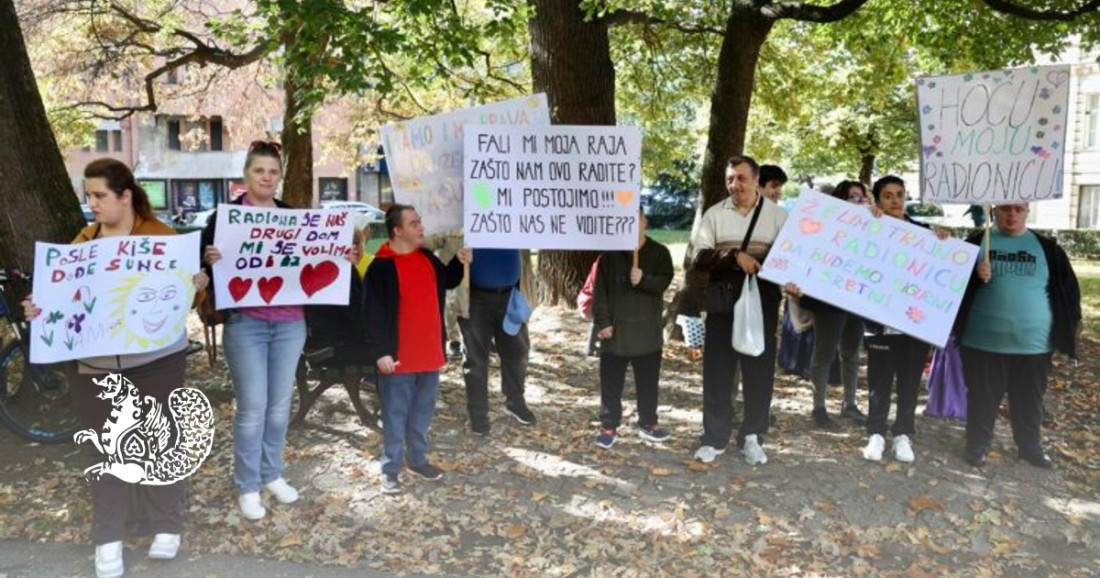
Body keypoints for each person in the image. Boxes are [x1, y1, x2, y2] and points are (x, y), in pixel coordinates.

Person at [23, 159, 208, 578]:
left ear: (125, 195)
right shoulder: (81, 244)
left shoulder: (161, 238)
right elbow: (61, 301)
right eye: (89, 196)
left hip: (157, 360)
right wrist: (38, 308)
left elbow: (183, 300)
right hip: (96, 366)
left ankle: (166, 525)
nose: (92, 205)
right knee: (103, 449)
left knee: (162, 439)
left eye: (100, 196)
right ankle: (107, 538)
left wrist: (198, 287)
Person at [201, 141, 359, 521]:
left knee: (278, 406)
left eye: (273, 172)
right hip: (246, 324)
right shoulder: (224, 219)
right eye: (260, 171)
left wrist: (343, 256)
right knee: (252, 407)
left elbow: (315, 256)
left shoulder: (291, 216)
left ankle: (272, 473)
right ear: (246, 175)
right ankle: (247, 485)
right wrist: (208, 258)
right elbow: (202, 272)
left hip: (290, 323)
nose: (267, 178)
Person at [955, 203, 1080, 469]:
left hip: (1033, 344)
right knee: (982, 397)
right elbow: (950, 284)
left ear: (1027, 212)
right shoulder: (976, 244)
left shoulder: (1048, 249)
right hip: (983, 342)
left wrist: (1069, 330)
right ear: (993, 211)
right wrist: (974, 275)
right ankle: (977, 445)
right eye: (1005, 209)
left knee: (1030, 399)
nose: (1012, 214)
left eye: (1018, 209)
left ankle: (1029, 447)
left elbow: (1068, 292)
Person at [362, 205, 470, 493]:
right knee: (395, 416)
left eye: (420, 222)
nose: (421, 227)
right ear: (397, 231)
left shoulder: (427, 258)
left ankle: (417, 459)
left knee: (422, 414)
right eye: (414, 224)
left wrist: (459, 261)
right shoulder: (381, 266)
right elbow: (372, 313)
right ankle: (391, 467)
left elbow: (448, 281)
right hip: (397, 359)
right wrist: (381, 351)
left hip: (429, 355)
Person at [691, 155, 787, 465]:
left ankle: (752, 437)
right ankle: (714, 438)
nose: (736, 185)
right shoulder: (715, 214)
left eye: (742, 178)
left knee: (759, 369)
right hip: (723, 301)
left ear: (757, 180)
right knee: (718, 370)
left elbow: (792, 259)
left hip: (763, 301)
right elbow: (698, 258)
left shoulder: (778, 216)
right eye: (731, 179)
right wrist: (734, 256)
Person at [857, 175, 946, 463]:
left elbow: (940, 273)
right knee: (879, 380)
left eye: (899, 194)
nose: (895, 200)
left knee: (909, 380)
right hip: (880, 322)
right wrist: (869, 223)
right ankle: (876, 433)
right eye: (888, 195)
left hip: (915, 325)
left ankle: (903, 433)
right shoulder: (869, 229)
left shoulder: (925, 234)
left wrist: (942, 243)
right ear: (878, 199)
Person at [785, 180, 870, 427]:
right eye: (852, 197)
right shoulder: (826, 228)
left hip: (858, 301)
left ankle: (850, 404)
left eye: (861, 197)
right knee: (824, 354)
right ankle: (819, 408)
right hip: (829, 302)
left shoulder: (871, 230)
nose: (858, 202)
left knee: (852, 353)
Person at [592, 210, 674, 449]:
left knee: (648, 381)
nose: (631, 224)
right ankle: (609, 424)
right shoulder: (610, 256)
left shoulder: (660, 253)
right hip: (616, 332)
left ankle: (648, 422)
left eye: (635, 219)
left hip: (646, 331)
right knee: (611, 382)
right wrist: (603, 322)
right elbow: (600, 293)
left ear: (645, 221)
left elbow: (664, 282)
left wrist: (644, 279)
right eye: (624, 219)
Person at [460, 246, 536, 434]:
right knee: (475, 359)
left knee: (518, 352)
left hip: (510, 295)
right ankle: (478, 415)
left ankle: (515, 401)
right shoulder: (466, 220)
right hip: (474, 297)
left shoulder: (512, 219)